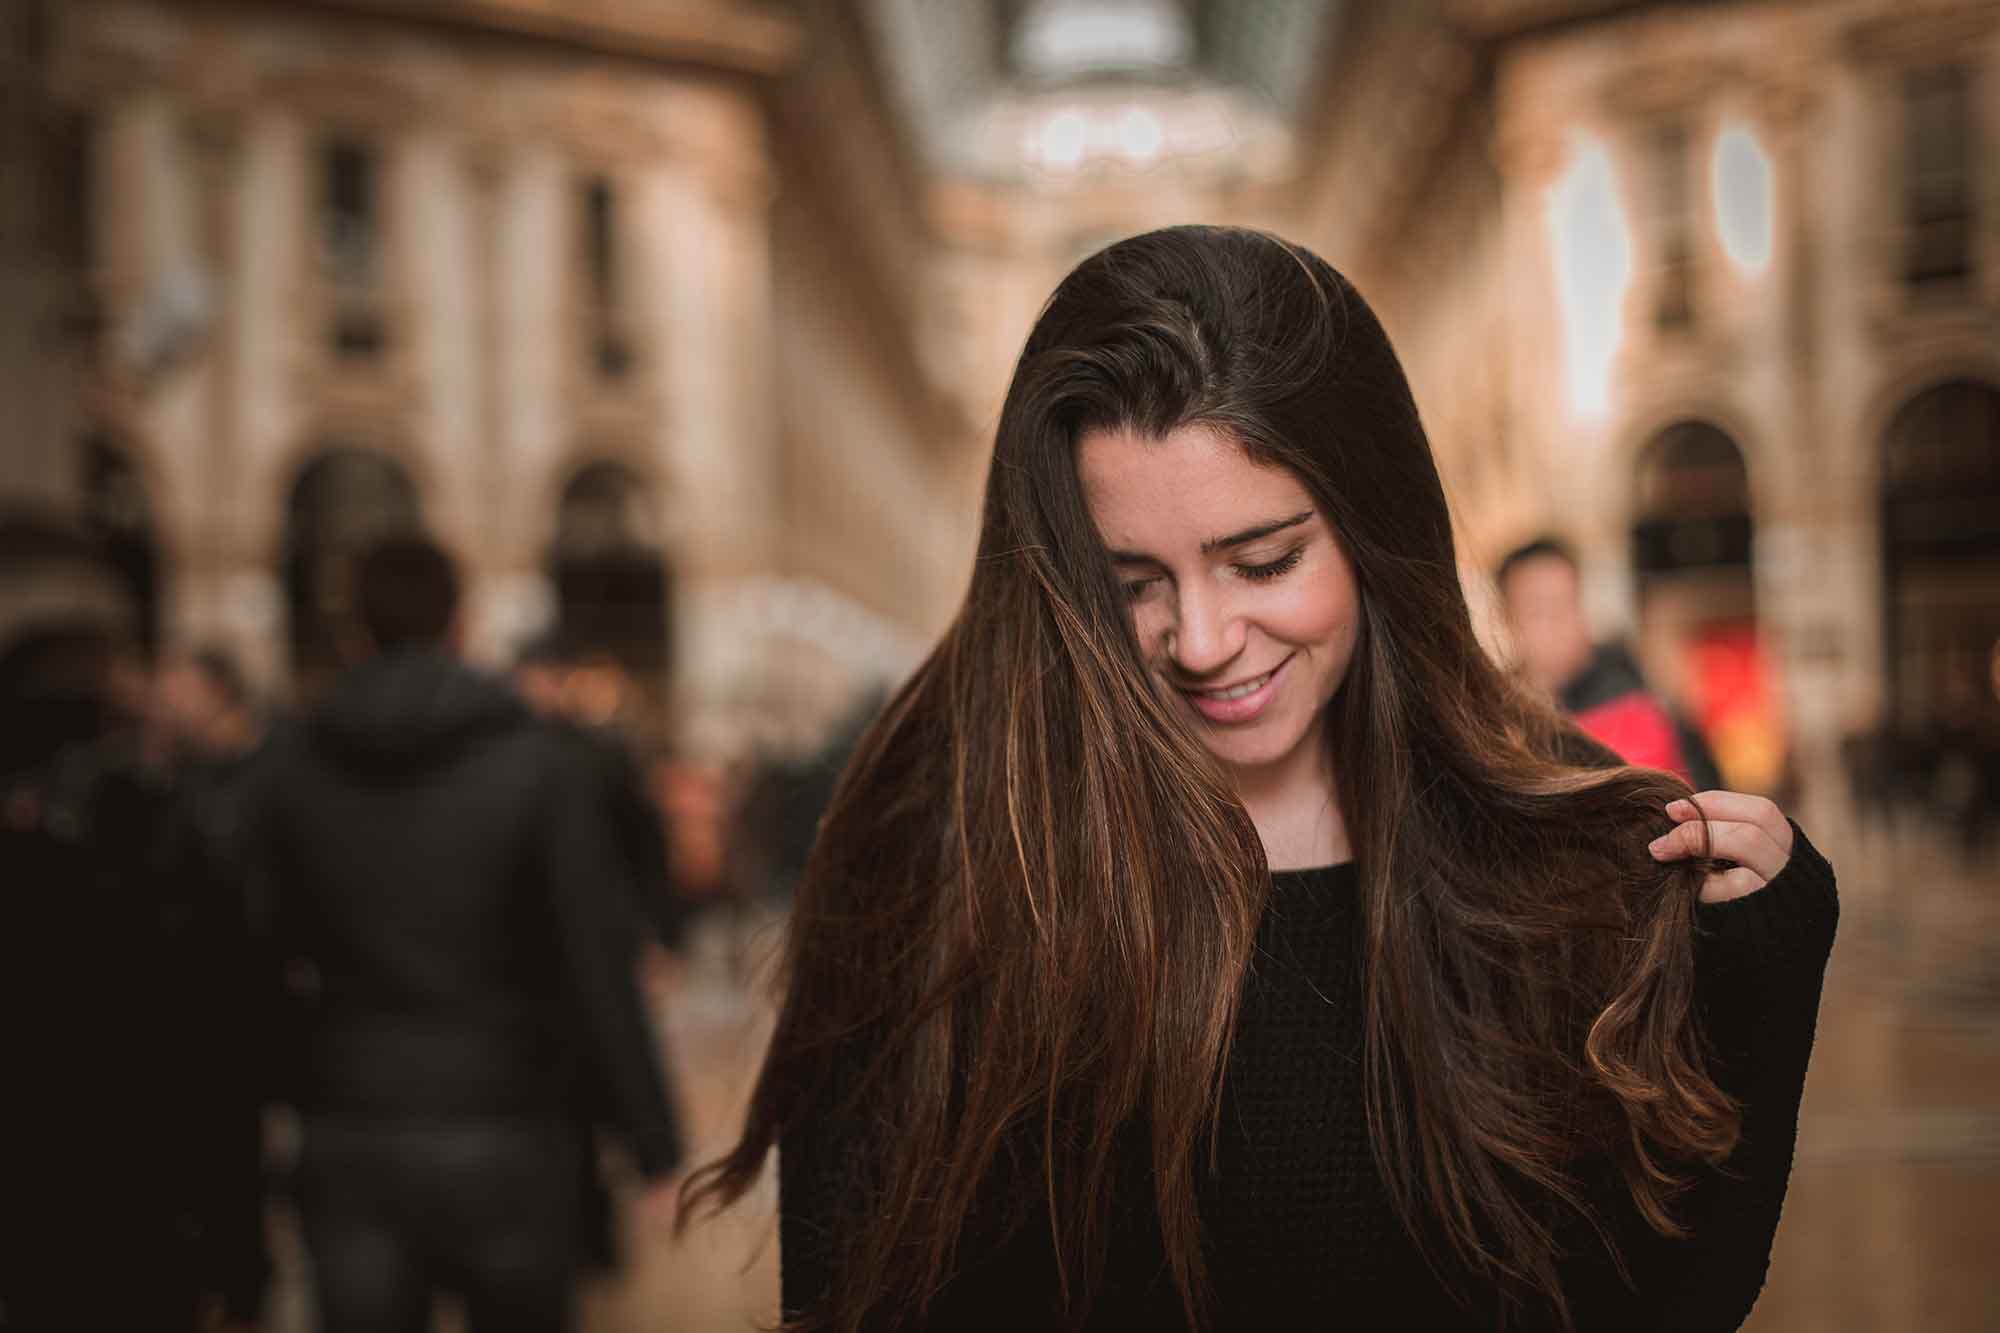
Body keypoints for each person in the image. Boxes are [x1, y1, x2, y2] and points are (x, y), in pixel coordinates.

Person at [681, 227, 1837, 1331]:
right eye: (1129, 579)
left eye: (1263, 560)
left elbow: (1659, 1300)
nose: (1200, 638)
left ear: (1374, 530)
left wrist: (1757, 988)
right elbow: (840, 1287)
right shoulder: (933, 841)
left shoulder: (1550, 832)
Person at [248, 534, 683, 1333]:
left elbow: (249, 954)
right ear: (462, 623)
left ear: (355, 630)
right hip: (509, 1123)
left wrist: (275, 1093)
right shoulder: (535, 764)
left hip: (349, 1121)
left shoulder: (291, 765)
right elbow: (594, 958)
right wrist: (651, 1139)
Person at [1495, 535, 1724, 791]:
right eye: (1540, 610)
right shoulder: (1497, 716)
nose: (1560, 623)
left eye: (1567, 603)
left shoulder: (1629, 693)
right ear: (1507, 618)